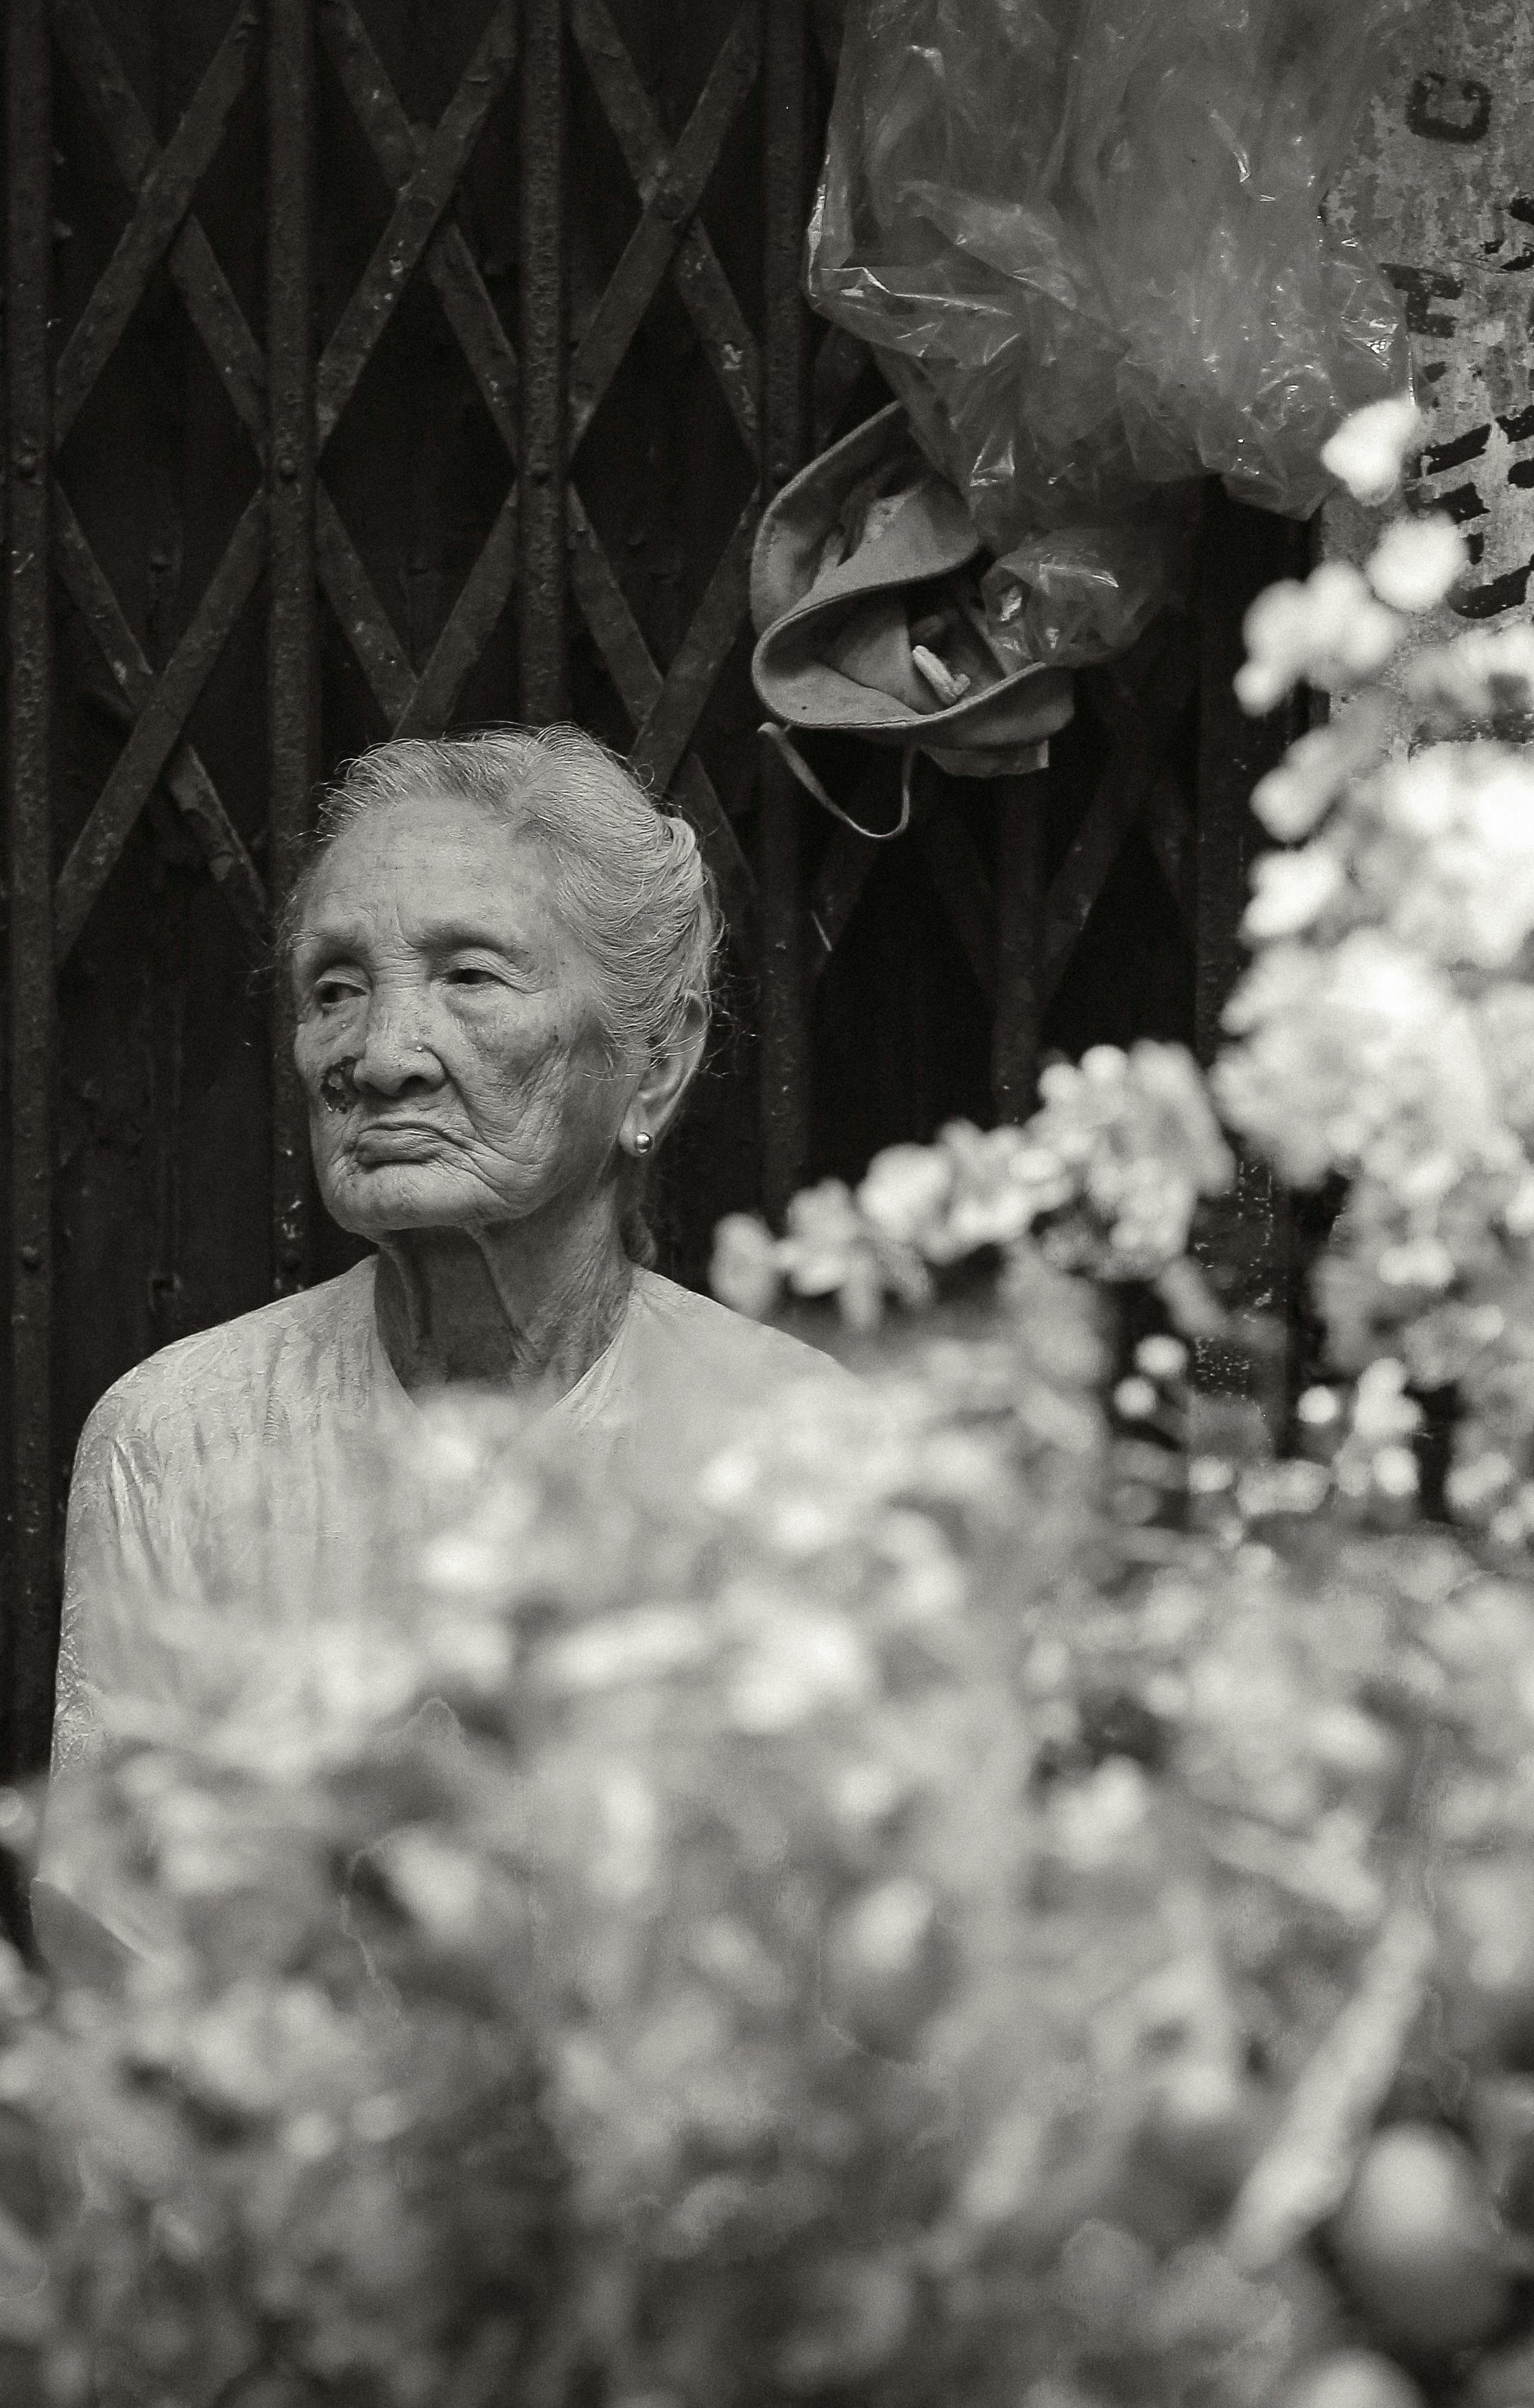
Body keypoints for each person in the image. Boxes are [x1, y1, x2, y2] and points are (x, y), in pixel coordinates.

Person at [40, 727, 845, 1963]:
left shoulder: (798, 1446)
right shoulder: (181, 1438)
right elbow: (116, 1946)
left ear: (655, 1066)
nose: (378, 1056)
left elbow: (853, 1945)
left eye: (470, 976)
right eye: (336, 988)